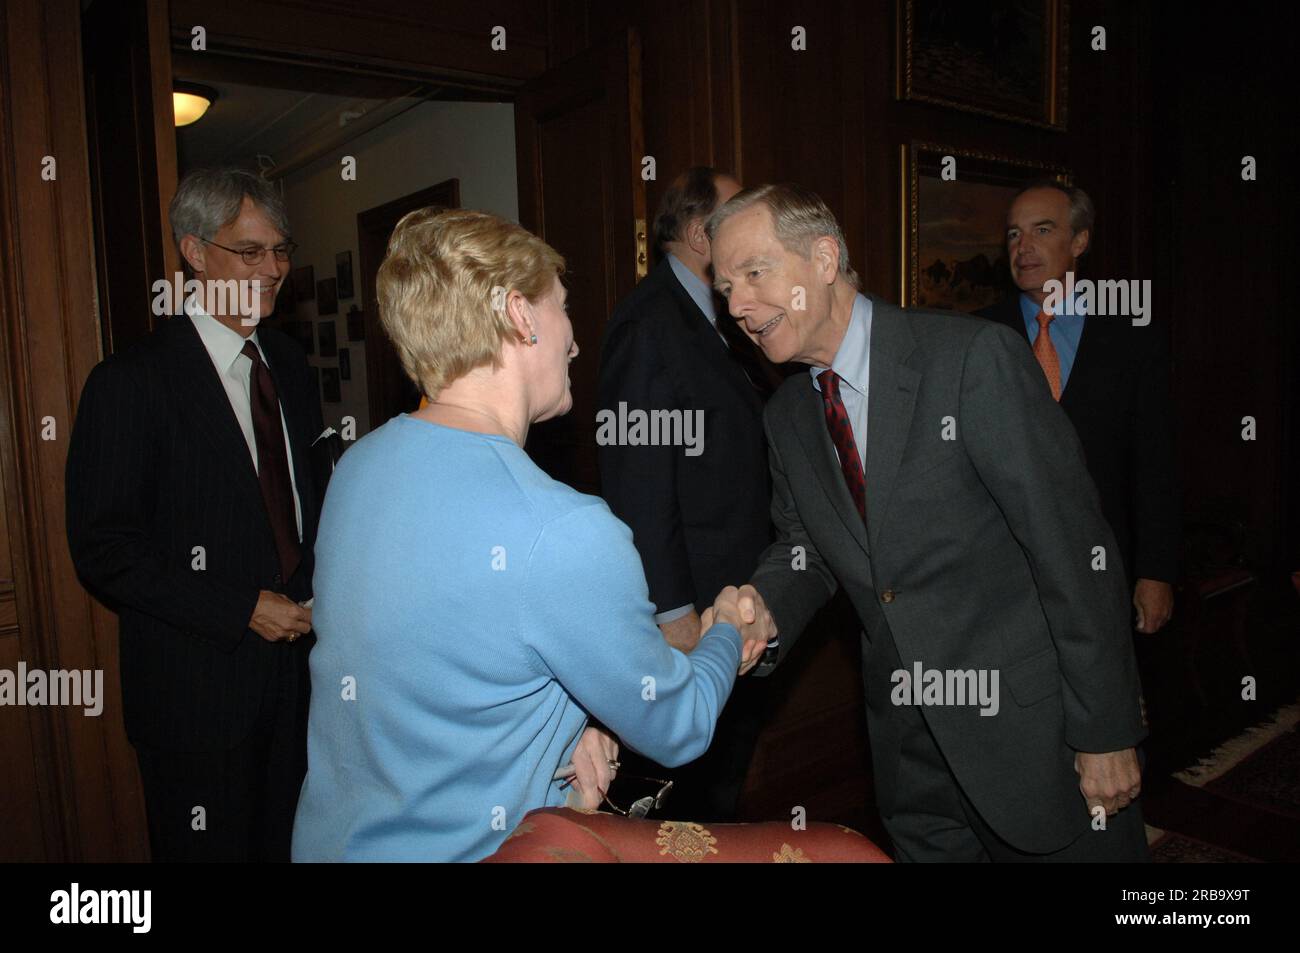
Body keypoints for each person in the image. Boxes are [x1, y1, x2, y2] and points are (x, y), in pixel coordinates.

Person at [290, 208, 771, 862]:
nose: (575, 342)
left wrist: (561, 725)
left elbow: (435, 668)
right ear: (520, 315)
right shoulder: (562, 528)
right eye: (563, 307)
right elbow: (679, 723)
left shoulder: (357, 467)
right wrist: (723, 631)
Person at [709, 184, 1149, 861]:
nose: (735, 304)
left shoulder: (971, 360)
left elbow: (1073, 548)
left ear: (824, 259)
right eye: (724, 285)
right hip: (910, 764)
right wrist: (761, 609)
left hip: (1040, 744)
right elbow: (808, 550)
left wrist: (1106, 728)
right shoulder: (789, 416)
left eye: (753, 273)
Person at [66, 167, 325, 862]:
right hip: (196, 697)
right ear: (194, 251)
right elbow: (105, 548)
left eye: (280, 250)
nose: (273, 269)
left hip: (301, 686)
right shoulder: (130, 382)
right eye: (250, 251)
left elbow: (308, 507)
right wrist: (242, 605)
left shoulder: (293, 366)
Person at [596, 167, 772, 820]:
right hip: (692, 614)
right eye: (738, 221)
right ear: (701, 234)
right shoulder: (650, 323)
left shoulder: (715, 317)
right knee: (687, 806)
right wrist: (675, 617)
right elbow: (638, 483)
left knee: (720, 788)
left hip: (729, 600)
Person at [977, 182, 1179, 633]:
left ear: (1080, 240)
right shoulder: (978, 335)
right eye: (1013, 234)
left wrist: (1156, 571)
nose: (1023, 248)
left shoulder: (1131, 335)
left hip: (1102, 567)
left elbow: (1155, 462)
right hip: (1002, 574)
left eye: (1042, 230)